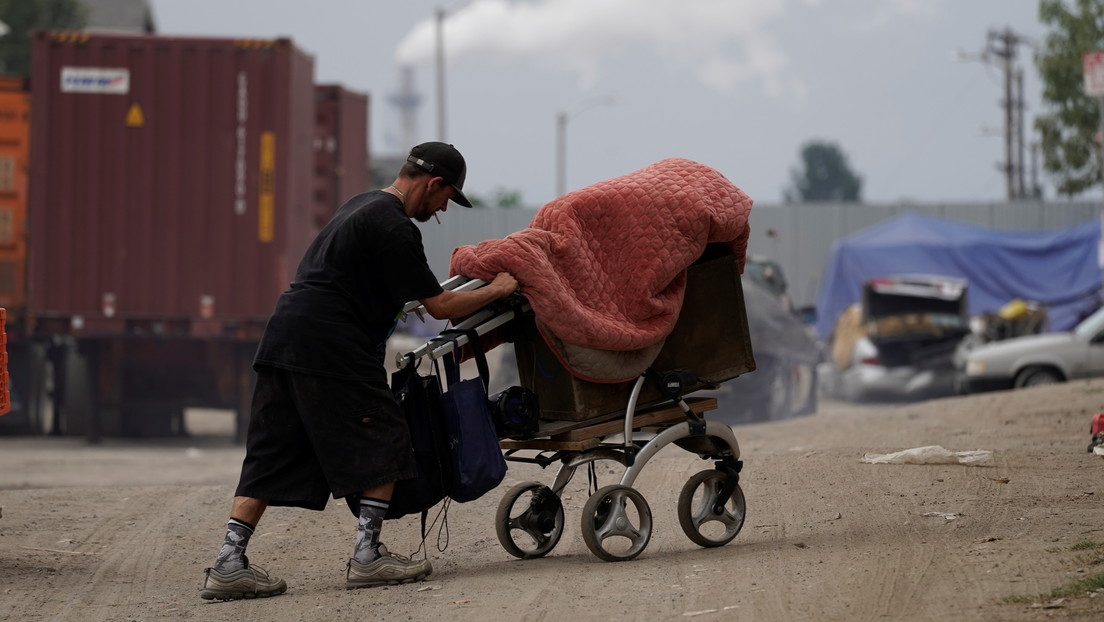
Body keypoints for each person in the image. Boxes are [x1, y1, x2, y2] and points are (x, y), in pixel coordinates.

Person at [200, 142, 519, 600]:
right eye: (447, 197)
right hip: (331, 344)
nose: (444, 207)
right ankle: (368, 556)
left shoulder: (361, 206)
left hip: (285, 335)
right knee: (388, 432)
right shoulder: (394, 227)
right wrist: (499, 288)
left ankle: (229, 563)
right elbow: (442, 306)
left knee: (273, 449)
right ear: (434, 184)